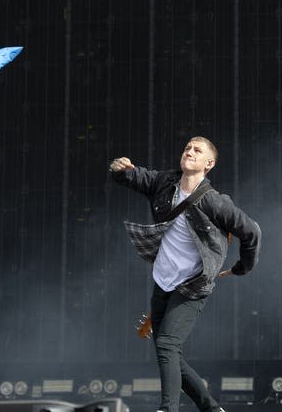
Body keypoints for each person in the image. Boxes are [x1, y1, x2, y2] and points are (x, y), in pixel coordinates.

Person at [109, 136, 261, 412]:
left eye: (197, 150)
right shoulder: (165, 183)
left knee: (167, 344)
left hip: (193, 285)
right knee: (170, 355)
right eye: (188, 147)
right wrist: (120, 168)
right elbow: (134, 177)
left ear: (209, 164)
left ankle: (168, 409)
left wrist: (241, 268)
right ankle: (212, 409)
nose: (189, 152)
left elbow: (252, 232)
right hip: (163, 280)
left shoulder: (215, 202)